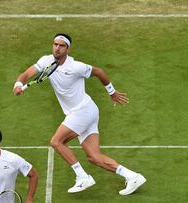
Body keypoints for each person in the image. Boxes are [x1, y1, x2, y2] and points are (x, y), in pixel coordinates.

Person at [12, 33, 146, 195]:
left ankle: (82, 176)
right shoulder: (46, 60)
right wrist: (19, 84)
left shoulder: (76, 67)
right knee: (94, 157)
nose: (57, 48)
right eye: (55, 44)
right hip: (86, 112)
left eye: (61, 45)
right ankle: (133, 176)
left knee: (56, 141)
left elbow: (99, 72)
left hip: (82, 111)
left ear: (68, 49)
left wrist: (111, 92)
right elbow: (26, 74)